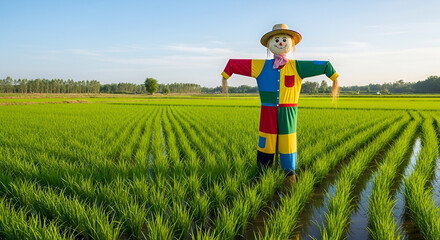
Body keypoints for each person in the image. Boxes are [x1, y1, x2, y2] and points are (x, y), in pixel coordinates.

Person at [221, 24, 339, 186]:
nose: (281, 43)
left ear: (291, 43)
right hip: (267, 111)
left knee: (288, 141)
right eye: (277, 39)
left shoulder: (297, 66)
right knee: (266, 140)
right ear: (269, 44)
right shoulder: (260, 65)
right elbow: (234, 63)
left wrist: (333, 76)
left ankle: (289, 174)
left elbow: (323, 64)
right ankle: (263, 172)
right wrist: (226, 73)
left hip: (288, 111)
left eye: (284, 39)